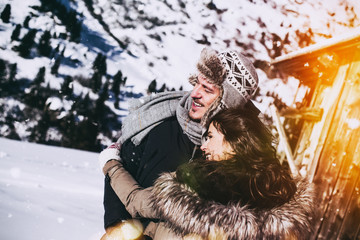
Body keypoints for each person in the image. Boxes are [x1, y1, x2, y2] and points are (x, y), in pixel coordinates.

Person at [99, 47, 260, 237]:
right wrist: (120, 227)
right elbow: (121, 172)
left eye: (207, 89)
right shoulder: (159, 124)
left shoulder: (236, 149)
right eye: (197, 83)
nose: (194, 94)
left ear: (227, 102)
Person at [101, 109, 316, 239]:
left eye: (211, 137)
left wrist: (111, 164)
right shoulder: (275, 197)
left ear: (235, 143)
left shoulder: (196, 183)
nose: (204, 146)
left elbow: (135, 201)